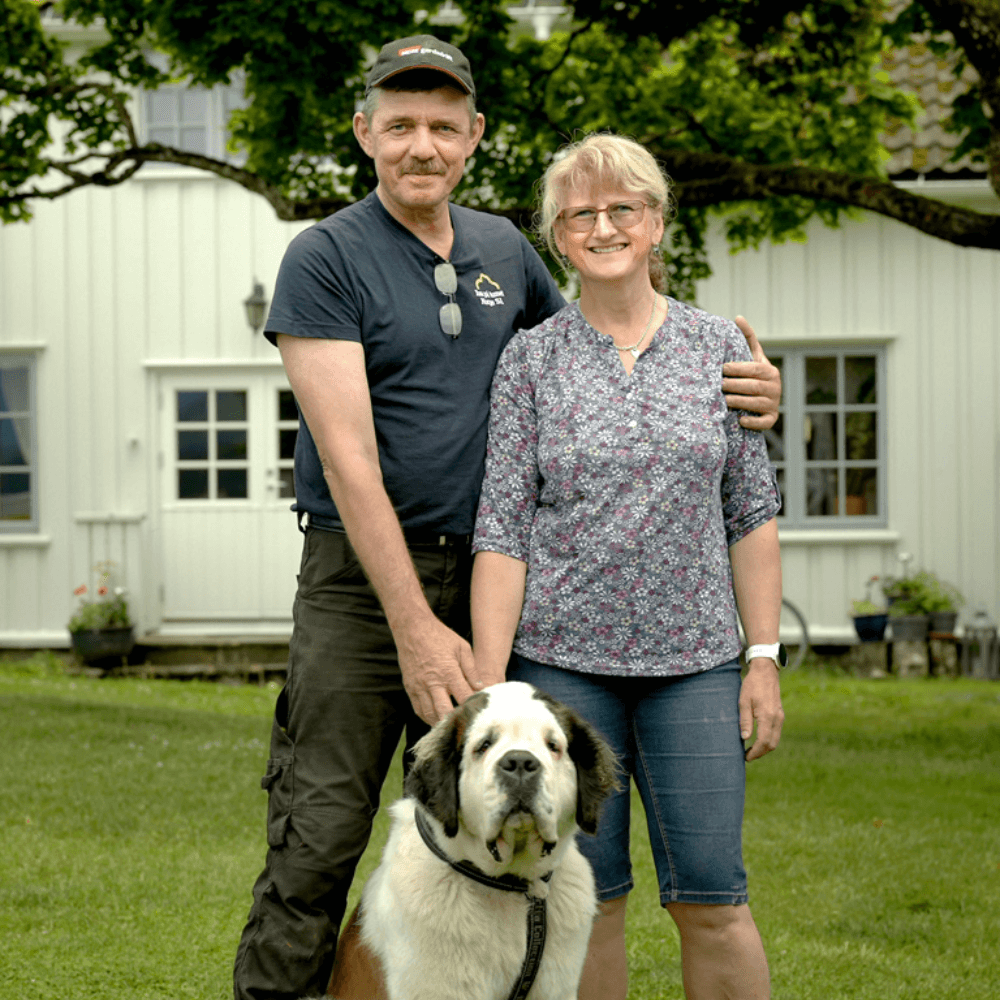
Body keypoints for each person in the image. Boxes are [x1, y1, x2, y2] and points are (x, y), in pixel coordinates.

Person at [232, 35, 782, 1000]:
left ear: (474, 137)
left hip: (497, 590)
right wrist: (412, 626)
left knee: (500, 857)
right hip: (367, 592)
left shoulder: (504, 252)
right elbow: (352, 461)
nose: (421, 146)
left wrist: (746, 386)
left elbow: (586, 354)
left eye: (443, 127)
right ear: (365, 132)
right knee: (319, 842)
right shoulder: (323, 257)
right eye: (398, 125)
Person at [470, 132, 785, 1000]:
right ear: (558, 238)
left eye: (623, 209)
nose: (603, 226)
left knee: (714, 898)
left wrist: (763, 659)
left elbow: (751, 515)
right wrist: (496, 686)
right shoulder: (531, 359)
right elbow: (502, 526)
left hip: (696, 668)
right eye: (580, 215)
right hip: (565, 673)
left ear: (655, 224)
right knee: (585, 901)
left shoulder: (719, 345)